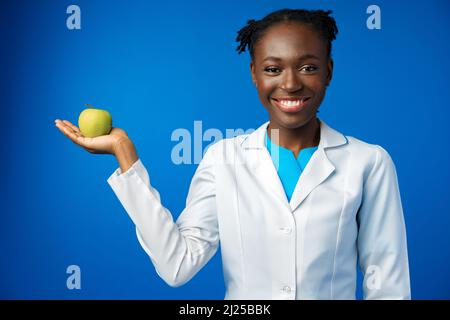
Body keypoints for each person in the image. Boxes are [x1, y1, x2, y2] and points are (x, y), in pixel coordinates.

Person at [55, 8, 410, 299]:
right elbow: (177, 265)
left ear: (328, 72)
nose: (290, 83)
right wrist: (124, 154)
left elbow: (389, 286)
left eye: (308, 67)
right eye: (273, 69)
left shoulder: (369, 163)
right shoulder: (223, 158)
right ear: (254, 74)